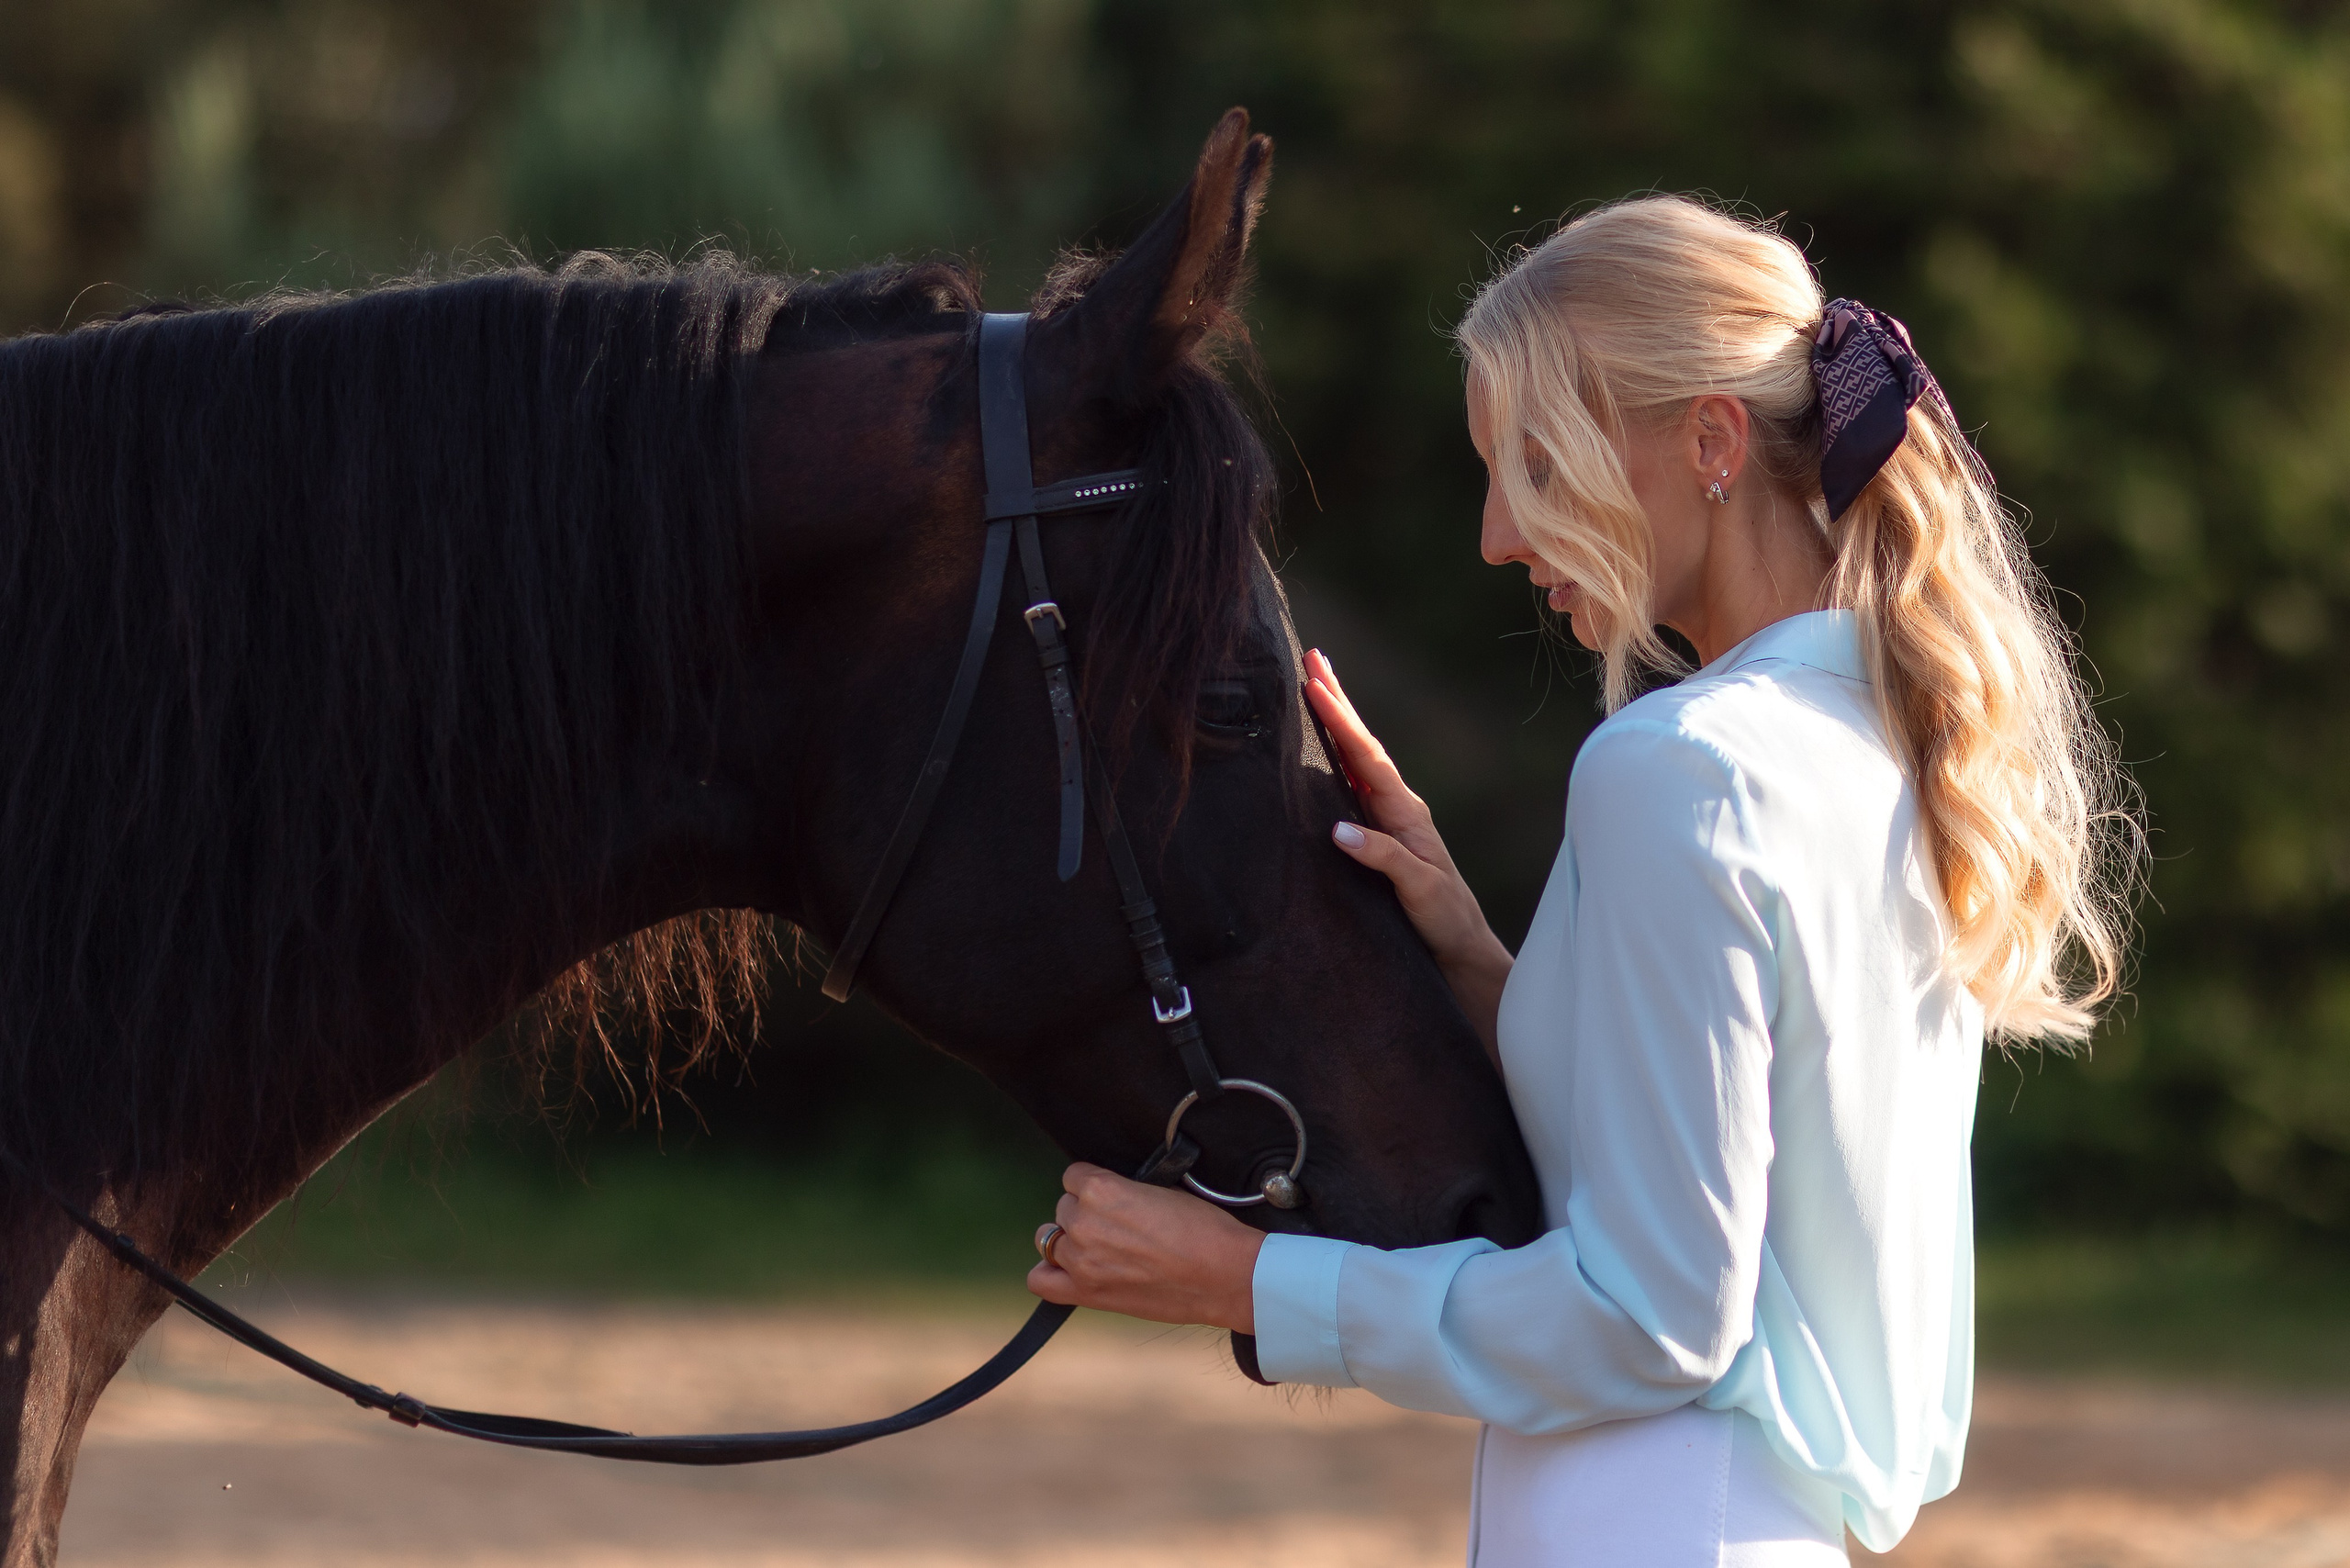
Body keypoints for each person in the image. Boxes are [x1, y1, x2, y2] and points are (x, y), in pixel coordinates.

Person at [1025, 195, 2139, 1564]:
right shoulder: (1887, 752)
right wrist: (1474, 953)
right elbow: (1716, 1168)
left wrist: (1251, 1280)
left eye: (1536, 465)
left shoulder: (1681, 768)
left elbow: (1654, 1319)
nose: (1498, 532)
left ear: (1711, 443)